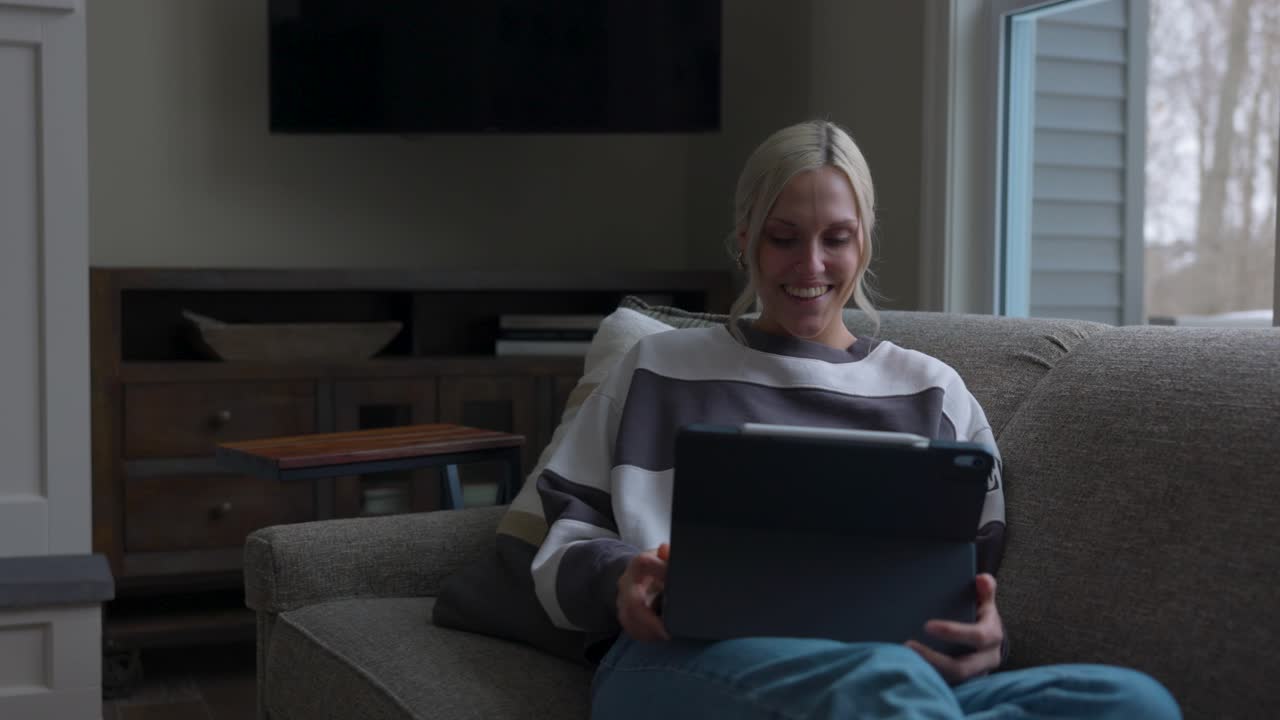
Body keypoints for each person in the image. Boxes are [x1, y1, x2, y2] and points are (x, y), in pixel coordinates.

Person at [529, 120, 1181, 719]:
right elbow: (561, 547)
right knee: (885, 684)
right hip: (677, 658)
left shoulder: (934, 392)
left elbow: (967, 582)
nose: (810, 265)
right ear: (744, 239)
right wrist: (623, 581)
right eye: (783, 238)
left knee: (1129, 702)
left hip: (901, 679)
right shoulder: (655, 369)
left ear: (864, 242)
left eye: (835, 239)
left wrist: (985, 638)